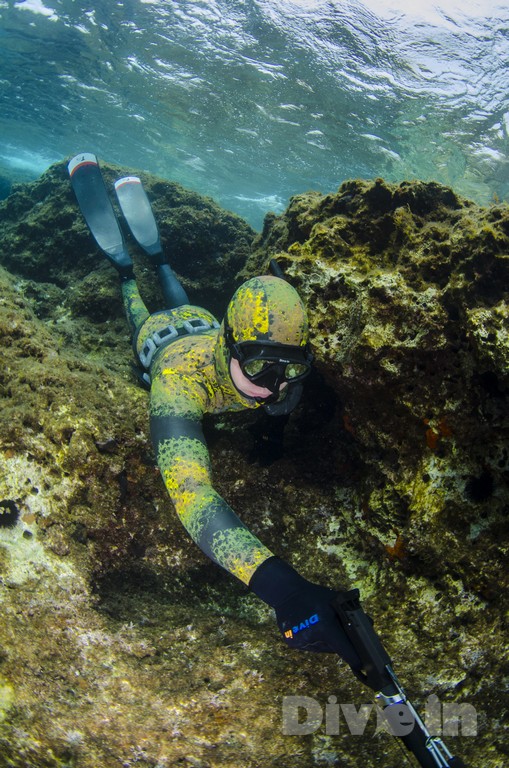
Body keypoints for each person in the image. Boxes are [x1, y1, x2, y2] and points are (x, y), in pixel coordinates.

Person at [68, 157, 361, 671]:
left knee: (176, 290)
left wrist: (273, 432)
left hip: (203, 322)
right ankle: (125, 268)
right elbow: (191, 493)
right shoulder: (178, 384)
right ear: (232, 349)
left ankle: (158, 258)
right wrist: (283, 589)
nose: (274, 385)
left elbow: (279, 390)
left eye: (291, 368)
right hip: (162, 343)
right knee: (139, 305)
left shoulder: (274, 371)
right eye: (261, 367)